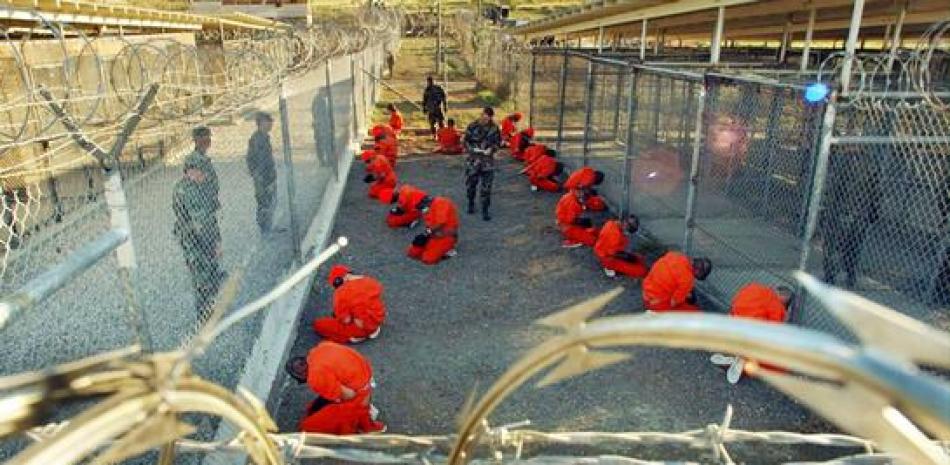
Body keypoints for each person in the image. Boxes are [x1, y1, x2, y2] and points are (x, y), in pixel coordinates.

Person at [286, 342, 386, 434]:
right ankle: (363, 415)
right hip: (365, 377)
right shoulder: (320, 349)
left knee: (306, 426)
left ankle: (359, 420)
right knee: (321, 404)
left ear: (301, 375)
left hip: (358, 393)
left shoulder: (314, 377)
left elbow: (350, 395)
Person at [173, 151, 225, 323]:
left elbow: (210, 217)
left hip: (205, 236)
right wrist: (213, 245)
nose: (205, 175)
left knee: (210, 273)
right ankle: (204, 316)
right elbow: (201, 222)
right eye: (202, 172)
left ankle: (211, 307)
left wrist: (216, 241)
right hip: (194, 240)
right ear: (191, 171)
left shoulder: (198, 186)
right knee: (202, 277)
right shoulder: (187, 190)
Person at [710, 283, 793, 384]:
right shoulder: (778, 307)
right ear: (785, 302)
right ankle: (745, 362)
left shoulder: (753, 287)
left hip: (730, 328)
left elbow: (734, 302)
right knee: (779, 365)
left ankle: (738, 354)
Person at [312, 265, 386, 344]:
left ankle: (355, 336)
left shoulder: (341, 293)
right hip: (377, 319)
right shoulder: (370, 281)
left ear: (338, 281)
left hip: (361, 328)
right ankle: (373, 329)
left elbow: (346, 320)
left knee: (319, 325)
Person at [463, 107, 502, 221]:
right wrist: (472, 149)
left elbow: (498, 143)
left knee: (486, 189)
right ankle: (471, 203)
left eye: (487, 119)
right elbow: (466, 141)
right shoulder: (472, 126)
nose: (484, 120)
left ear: (490, 118)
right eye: (483, 117)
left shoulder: (494, 128)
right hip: (473, 161)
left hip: (487, 163)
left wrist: (492, 149)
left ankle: (485, 209)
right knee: (471, 185)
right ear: (481, 115)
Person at [641, 252, 712, 312]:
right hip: (655, 304)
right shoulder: (688, 280)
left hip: (646, 293)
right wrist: (684, 296)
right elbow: (674, 302)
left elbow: (674, 277)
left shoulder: (675, 256)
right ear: (698, 272)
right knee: (695, 312)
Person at [245, 112, 277, 233]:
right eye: (268, 122)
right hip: (263, 178)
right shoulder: (258, 139)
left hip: (266, 176)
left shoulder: (263, 137)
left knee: (269, 202)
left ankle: (267, 226)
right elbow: (255, 159)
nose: (271, 124)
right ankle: (265, 228)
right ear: (261, 123)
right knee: (264, 202)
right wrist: (259, 176)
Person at [407, 195, 459, 265]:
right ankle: (438, 249)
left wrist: (427, 232)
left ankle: (449, 249)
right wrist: (424, 235)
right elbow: (430, 225)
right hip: (434, 234)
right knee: (412, 253)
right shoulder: (428, 208)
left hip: (446, 235)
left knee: (428, 259)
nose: (421, 210)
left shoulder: (441, 203)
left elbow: (440, 223)